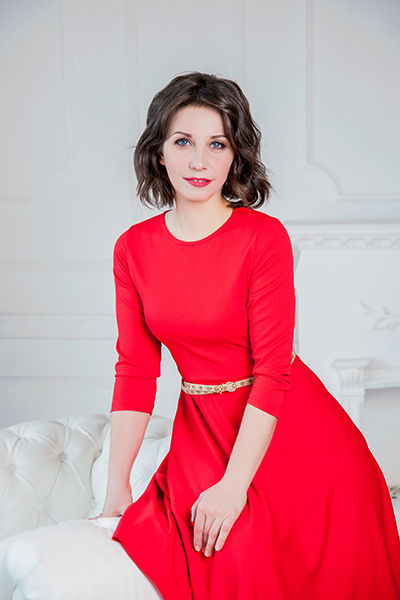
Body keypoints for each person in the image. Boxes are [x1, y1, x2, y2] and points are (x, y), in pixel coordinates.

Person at [91, 72, 400, 599]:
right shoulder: (133, 249)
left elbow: (273, 371)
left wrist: (234, 487)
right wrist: (116, 487)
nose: (199, 161)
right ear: (158, 151)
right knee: (209, 552)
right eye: (183, 142)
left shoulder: (263, 238)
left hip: (294, 431)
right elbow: (136, 371)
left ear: (235, 155)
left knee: (260, 550)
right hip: (201, 429)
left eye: (218, 144)